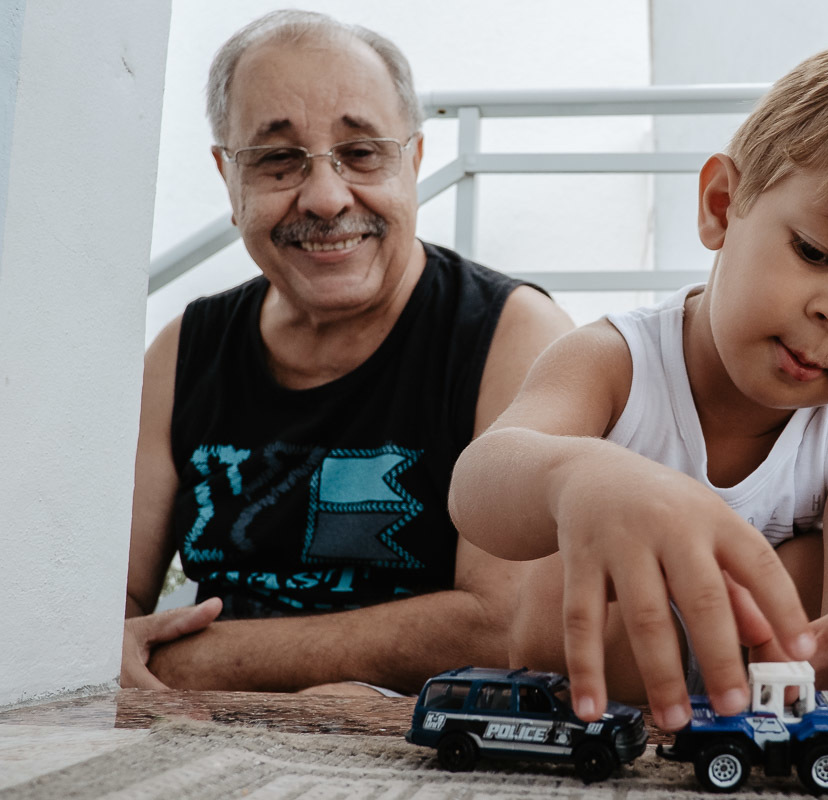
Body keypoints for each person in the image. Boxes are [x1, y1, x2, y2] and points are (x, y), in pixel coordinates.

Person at [449, 35, 828, 769]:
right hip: (587, 705)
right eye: (816, 251)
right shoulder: (614, 362)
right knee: (589, 515)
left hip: (772, 713)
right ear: (723, 205)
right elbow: (478, 488)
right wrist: (580, 477)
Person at [122, 10, 573, 695]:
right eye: (278, 160)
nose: (328, 198)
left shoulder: (514, 336)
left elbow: (506, 627)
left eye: (362, 154)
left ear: (414, 162)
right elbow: (99, 606)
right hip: (202, 742)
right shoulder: (183, 352)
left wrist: (185, 662)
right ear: (228, 177)